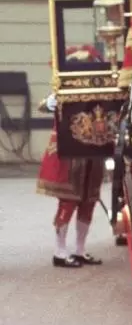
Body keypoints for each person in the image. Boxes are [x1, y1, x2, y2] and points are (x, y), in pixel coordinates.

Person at [36, 93, 106, 268]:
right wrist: (51, 102)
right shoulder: (65, 87)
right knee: (68, 201)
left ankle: (80, 250)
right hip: (71, 154)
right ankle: (59, 251)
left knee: (89, 201)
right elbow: (44, 105)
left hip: (94, 152)